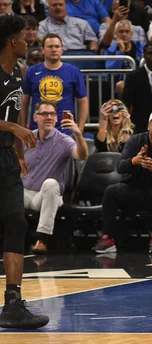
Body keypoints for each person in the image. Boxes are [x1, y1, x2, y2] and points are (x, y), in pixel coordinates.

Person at [0, 14, 48, 329]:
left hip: (5, 158)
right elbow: (13, 123)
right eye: (23, 35)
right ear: (11, 41)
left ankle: (13, 304)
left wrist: (17, 153)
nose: (28, 40)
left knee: (17, 222)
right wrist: (12, 127)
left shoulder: (19, 72)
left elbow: (15, 117)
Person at [92, 109, 152, 254]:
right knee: (111, 190)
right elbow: (120, 167)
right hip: (133, 189)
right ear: (148, 125)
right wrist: (134, 161)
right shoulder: (135, 141)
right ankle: (108, 237)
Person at [24, 101, 88, 254]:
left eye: (52, 114)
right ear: (35, 117)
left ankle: (42, 240)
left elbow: (82, 155)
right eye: (44, 114)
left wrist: (78, 133)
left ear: (56, 119)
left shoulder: (64, 141)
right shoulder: (26, 138)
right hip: (24, 193)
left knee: (52, 184)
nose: (49, 117)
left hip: (46, 196)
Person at [21, 33, 89, 135]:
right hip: (37, 130)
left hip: (66, 131)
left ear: (62, 50)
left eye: (57, 46)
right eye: (50, 46)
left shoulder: (73, 71)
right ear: (43, 50)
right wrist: (23, 127)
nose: (54, 49)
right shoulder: (31, 71)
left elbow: (83, 101)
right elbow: (24, 101)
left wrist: (80, 128)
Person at [122, 42, 152, 134]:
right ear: (144, 56)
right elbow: (126, 102)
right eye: (150, 53)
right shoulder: (133, 77)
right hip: (140, 125)